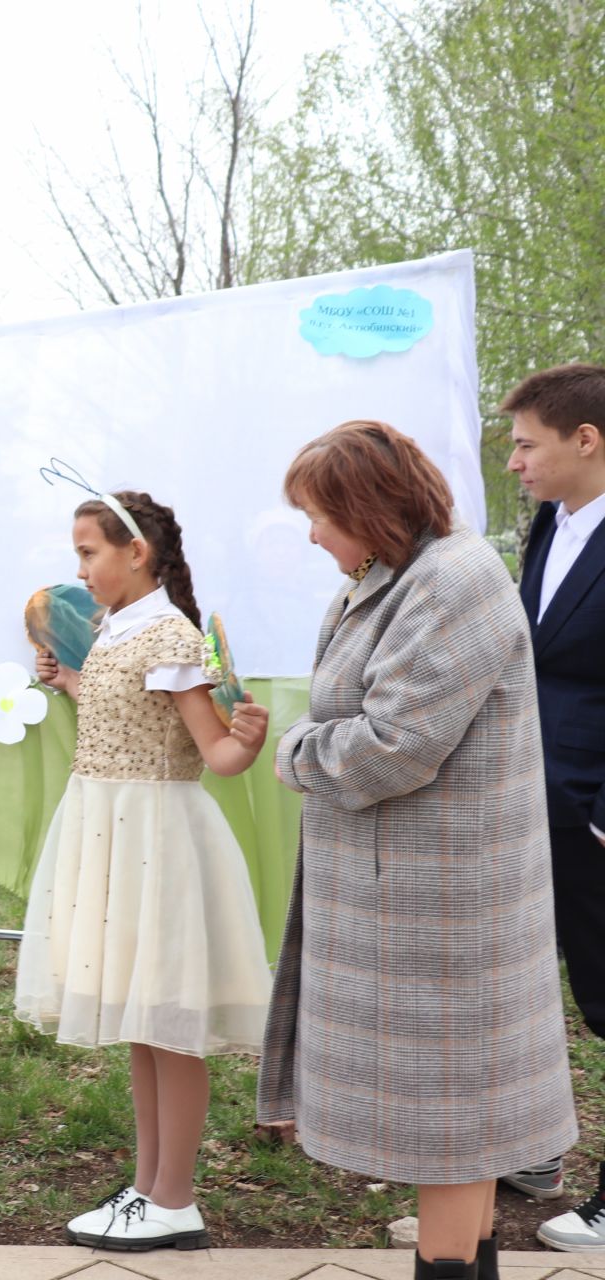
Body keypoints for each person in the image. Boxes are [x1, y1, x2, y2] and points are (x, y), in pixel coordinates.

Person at [256, 420, 577, 1280]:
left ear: (371, 503)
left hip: (442, 916)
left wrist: (293, 753)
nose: (313, 533)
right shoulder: (397, 573)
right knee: (463, 1130)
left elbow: (395, 744)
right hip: (415, 904)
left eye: (321, 514)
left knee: (455, 1129)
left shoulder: (450, 581)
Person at [16, 489, 273, 1252]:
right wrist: (72, 681)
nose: (82, 568)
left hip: (154, 842)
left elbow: (217, 753)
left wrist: (250, 742)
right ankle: (149, 1187)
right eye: (77, 555)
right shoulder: (116, 631)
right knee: (141, 1022)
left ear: (138, 553)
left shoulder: (168, 636)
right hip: (110, 833)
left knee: (168, 1024)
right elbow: (127, 717)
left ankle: (176, 1197)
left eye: (90, 553)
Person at [490, 365, 605, 1249]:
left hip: (592, 818)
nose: (515, 460)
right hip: (535, 808)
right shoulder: (548, 526)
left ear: (586, 440)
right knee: (541, 993)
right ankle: (533, 1153)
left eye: (527, 443)